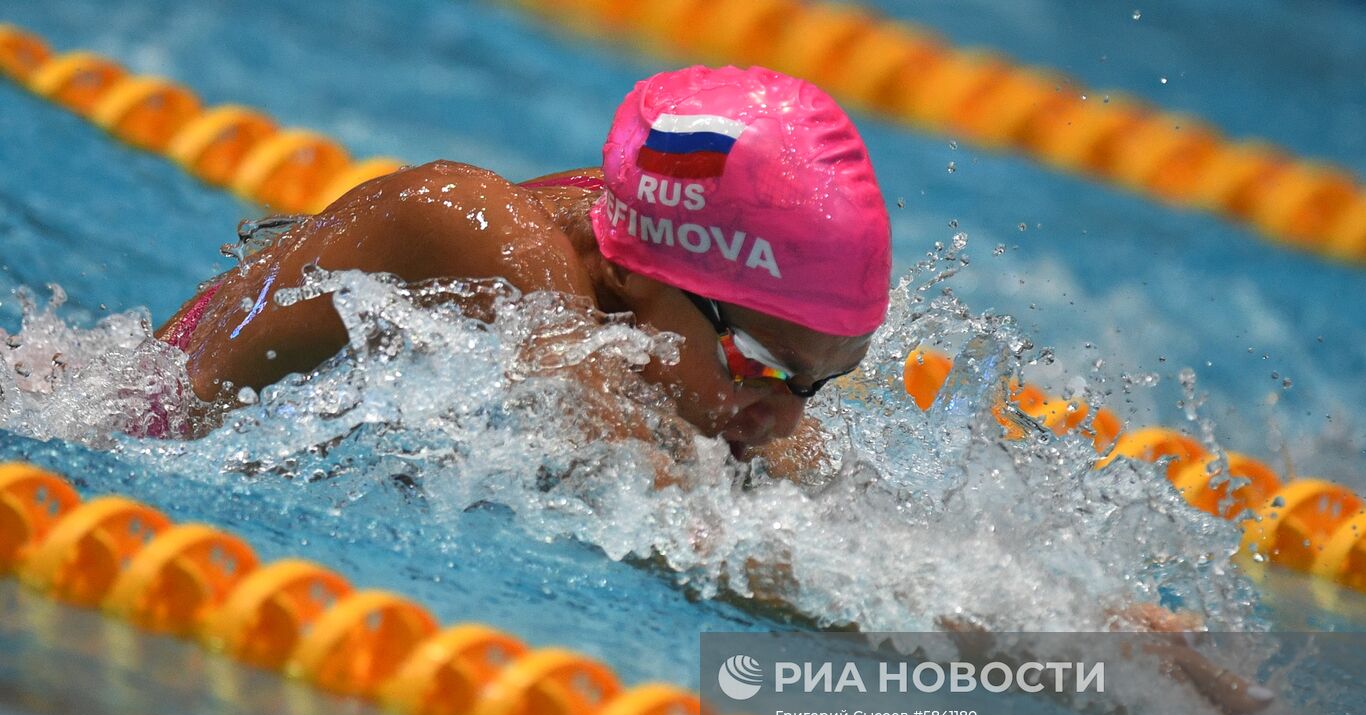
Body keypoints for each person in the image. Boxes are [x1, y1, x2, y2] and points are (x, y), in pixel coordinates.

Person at [156, 65, 892, 466]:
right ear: (633, 271)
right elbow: (670, 507)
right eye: (757, 363)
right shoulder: (476, 235)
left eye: (815, 383)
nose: (786, 421)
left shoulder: (647, 255)